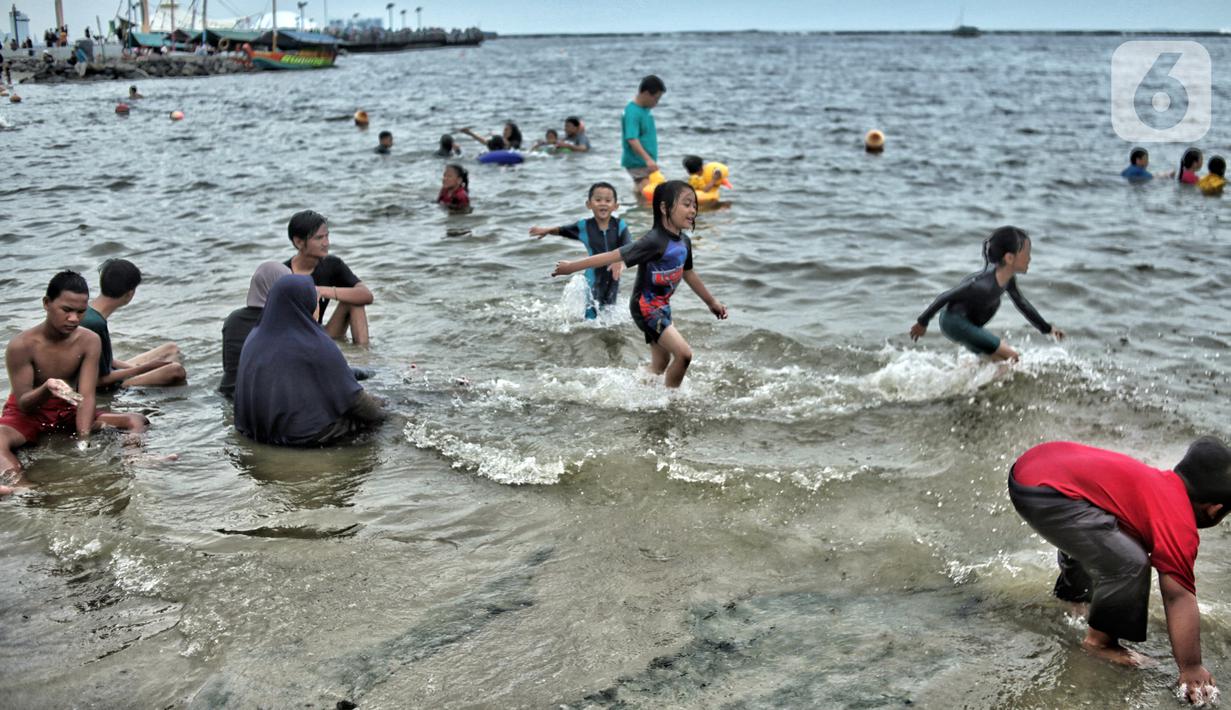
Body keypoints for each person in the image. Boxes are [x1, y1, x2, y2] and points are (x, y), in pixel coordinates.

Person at [1008, 439, 1231, 703]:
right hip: (1046, 492)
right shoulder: (1179, 524)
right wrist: (1192, 667)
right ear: (1215, 510)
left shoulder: (1157, 484)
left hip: (1035, 467)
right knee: (1131, 561)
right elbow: (1178, 596)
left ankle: (1075, 597)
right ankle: (1101, 643)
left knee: (1112, 540)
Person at [552, 180, 727, 388]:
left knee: (660, 365)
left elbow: (688, 273)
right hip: (646, 307)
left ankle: (635, 385)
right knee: (684, 354)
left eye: (694, 205)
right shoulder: (653, 241)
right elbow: (612, 255)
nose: (693, 210)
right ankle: (671, 402)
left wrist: (711, 302)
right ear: (664, 207)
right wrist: (572, 266)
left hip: (662, 305)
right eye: (686, 204)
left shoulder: (684, 242)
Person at [0, 272, 149, 493]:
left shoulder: (89, 340)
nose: (74, 319)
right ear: (47, 303)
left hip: (68, 408)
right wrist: (46, 389)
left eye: (81, 312)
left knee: (136, 420)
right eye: (67, 310)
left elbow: (86, 395)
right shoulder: (22, 345)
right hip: (28, 414)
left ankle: (134, 459)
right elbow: (23, 403)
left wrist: (83, 439)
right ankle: (20, 485)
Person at [234, 275, 386, 446]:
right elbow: (355, 402)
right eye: (316, 303)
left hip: (259, 433)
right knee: (383, 412)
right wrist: (386, 416)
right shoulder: (315, 344)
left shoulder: (254, 338)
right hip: (303, 437)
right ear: (305, 304)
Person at [910, 226, 1065, 362]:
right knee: (1012, 356)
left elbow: (1022, 304)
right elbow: (945, 296)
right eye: (1026, 253)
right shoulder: (982, 285)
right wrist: (922, 322)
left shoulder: (1007, 279)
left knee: (997, 361)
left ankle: (965, 382)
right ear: (1009, 258)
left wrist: (1047, 328)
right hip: (954, 322)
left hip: (967, 324)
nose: (1030, 258)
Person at [530, 182, 631, 319]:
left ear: (615, 206)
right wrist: (547, 230)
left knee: (610, 312)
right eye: (598, 200)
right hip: (592, 277)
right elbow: (564, 230)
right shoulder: (584, 226)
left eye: (608, 200)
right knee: (590, 316)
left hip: (614, 277)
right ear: (589, 204)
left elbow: (628, 246)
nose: (603, 203)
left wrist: (620, 261)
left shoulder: (620, 225)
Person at [81, 259, 187, 389]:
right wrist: (141, 370)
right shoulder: (96, 324)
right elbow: (100, 379)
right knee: (176, 370)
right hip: (105, 383)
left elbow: (106, 361)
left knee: (171, 349)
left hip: (109, 372)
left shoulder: (88, 310)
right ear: (129, 294)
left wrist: (139, 368)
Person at [284, 210, 374, 346]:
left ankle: (364, 357)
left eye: (327, 236)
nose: (326, 243)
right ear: (299, 242)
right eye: (319, 238)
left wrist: (322, 291)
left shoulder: (332, 265)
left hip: (320, 335)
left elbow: (366, 296)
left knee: (354, 300)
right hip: (293, 342)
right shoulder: (282, 273)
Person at [219, 261, 290, 399]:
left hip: (229, 391)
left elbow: (227, 365)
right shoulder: (283, 319)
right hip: (263, 399)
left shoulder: (233, 319)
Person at [621, 75, 666, 195]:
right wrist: (648, 160)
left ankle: (637, 212)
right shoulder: (632, 112)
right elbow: (631, 138)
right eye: (656, 99)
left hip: (644, 161)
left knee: (642, 193)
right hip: (638, 162)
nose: (656, 103)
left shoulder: (644, 110)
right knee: (648, 194)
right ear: (646, 93)